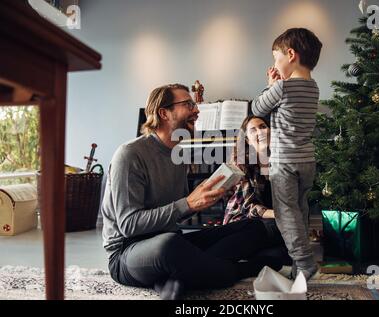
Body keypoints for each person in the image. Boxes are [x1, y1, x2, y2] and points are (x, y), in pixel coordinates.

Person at [101, 84, 281, 300]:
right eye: (188, 104)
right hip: (128, 252)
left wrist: (204, 198)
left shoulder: (178, 154)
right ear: (164, 113)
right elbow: (129, 225)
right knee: (170, 246)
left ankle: (176, 279)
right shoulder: (129, 155)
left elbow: (178, 212)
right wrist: (188, 203)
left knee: (254, 227)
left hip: (171, 239)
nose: (196, 110)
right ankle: (242, 269)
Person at [251, 28, 323, 281]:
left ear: (290, 54)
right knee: (300, 210)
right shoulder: (313, 87)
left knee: (284, 212)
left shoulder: (282, 87)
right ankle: (297, 270)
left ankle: (304, 262)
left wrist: (271, 84)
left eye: (276, 58)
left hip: (284, 162)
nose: (275, 64)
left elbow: (258, 108)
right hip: (307, 161)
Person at [223, 115, 291, 266]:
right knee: (280, 231)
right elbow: (248, 208)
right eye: (253, 130)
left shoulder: (279, 161)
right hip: (243, 221)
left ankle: (249, 259)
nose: (260, 132)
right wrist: (280, 215)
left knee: (284, 255)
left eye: (262, 127)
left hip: (272, 222)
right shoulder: (240, 163)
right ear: (246, 140)